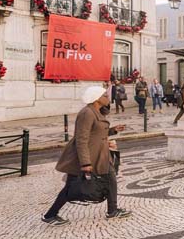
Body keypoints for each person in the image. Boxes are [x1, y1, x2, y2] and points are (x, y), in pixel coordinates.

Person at [42, 86, 130, 225]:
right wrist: (85, 163)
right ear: (96, 98)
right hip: (87, 157)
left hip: (100, 156)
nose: (108, 98)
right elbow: (81, 139)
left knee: (111, 179)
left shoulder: (96, 112)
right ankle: (50, 215)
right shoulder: (87, 113)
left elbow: (96, 133)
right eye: (105, 96)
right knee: (70, 187)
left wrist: (112, 130)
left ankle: (112, 210)